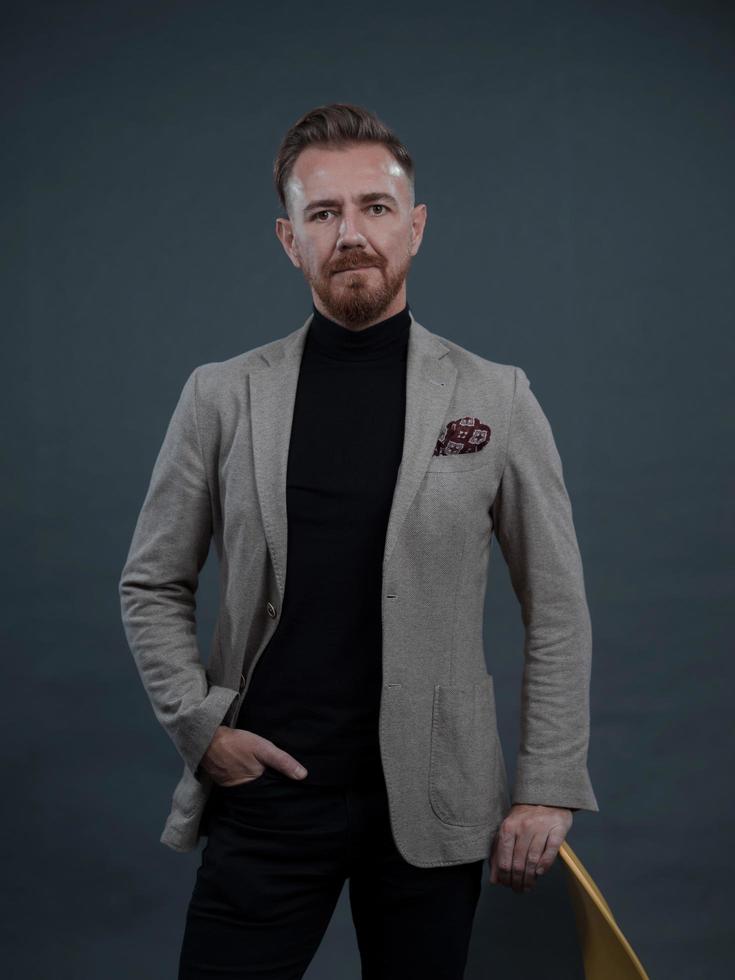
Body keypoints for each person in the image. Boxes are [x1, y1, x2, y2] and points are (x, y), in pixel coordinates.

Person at [119, 102, 599, 980]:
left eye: (375, 208)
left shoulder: (496, 396)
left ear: (414, 227)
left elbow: (558, 605)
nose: (352, 233)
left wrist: (546, 786)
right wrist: (200, 728)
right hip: (264, 796)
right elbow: (151, 583)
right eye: (323, 213)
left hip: (435, 802)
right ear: (288, 239)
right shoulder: (221, 396)